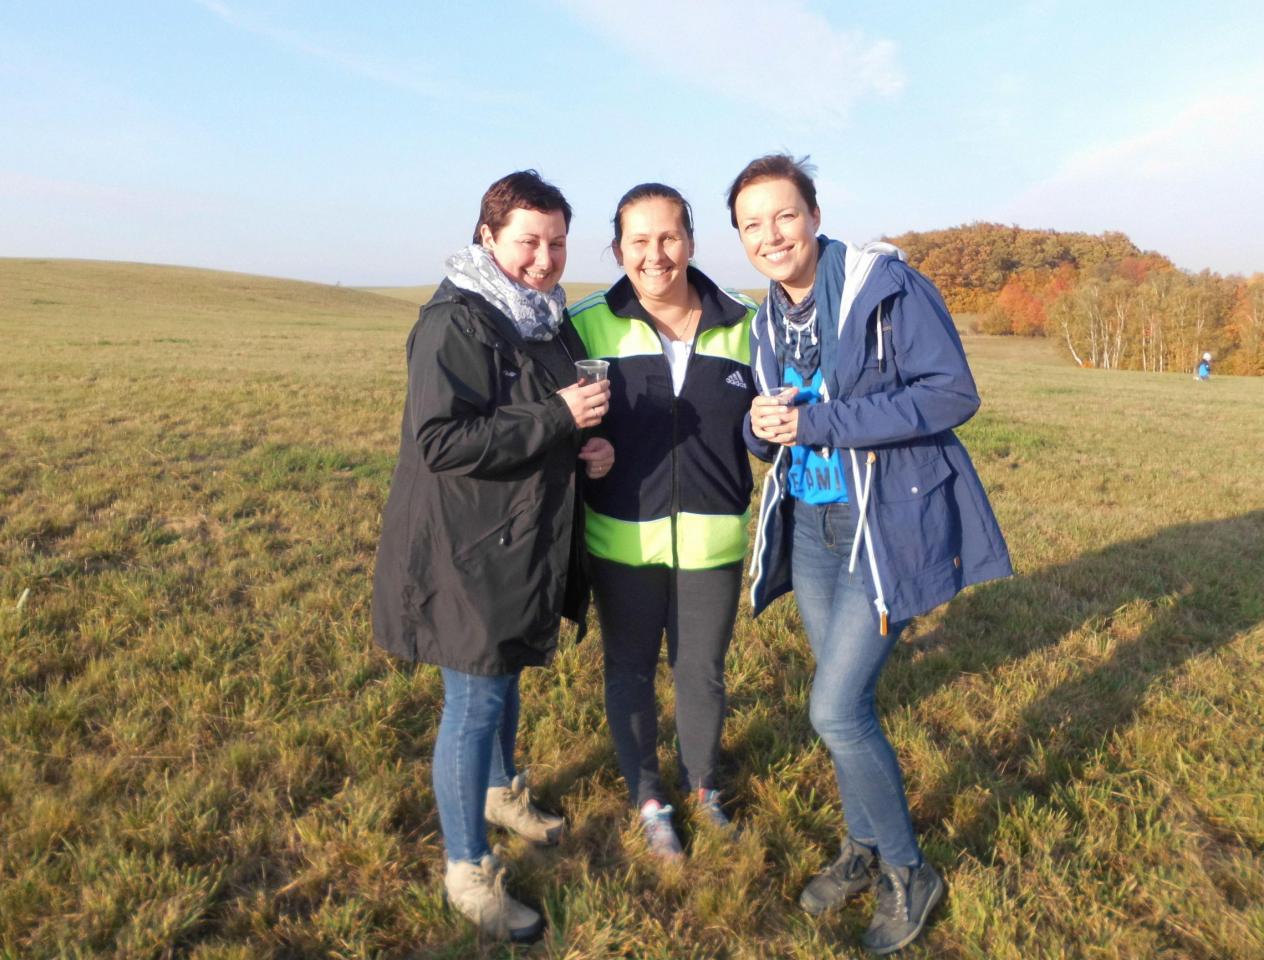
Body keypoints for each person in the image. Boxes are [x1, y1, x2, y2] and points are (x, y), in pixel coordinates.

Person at [728, 155, 1012, 955]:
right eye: (752, 225)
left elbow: (952, 392)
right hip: (813, 528)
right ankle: (861, 845)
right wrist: (759, 427)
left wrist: (818, 423)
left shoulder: (887, 287)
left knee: (833, 709)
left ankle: (909, 871)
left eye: (784, 215)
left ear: (814, 215)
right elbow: (772, 424)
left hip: (883, 526)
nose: (771, 235)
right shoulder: (766, 319)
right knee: (845, 706)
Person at [371, 170, 615, 942]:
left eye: (557, 243)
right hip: (465, 548)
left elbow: (552, 420)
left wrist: (587, 445)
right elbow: (440, 442)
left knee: (504, 673)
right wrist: (557, 417)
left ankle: (502, 793)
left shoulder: (545, 318)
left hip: (519, 538)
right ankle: (466, 869)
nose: (544, 259)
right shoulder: (457, 321)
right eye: (527, 242)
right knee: (474, 701)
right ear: (488, 236)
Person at [569, 183, 757, 860]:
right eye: (639, 241)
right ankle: (649, 798)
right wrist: (585, 451)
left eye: (669, 237)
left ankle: (703, 788)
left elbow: (768, 427)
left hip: (713, 541)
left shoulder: (746, 324)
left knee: (702, 671)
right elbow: (556, 420)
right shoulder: (585, 324)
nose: (656, 255)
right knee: (628, 670)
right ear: (618, 249)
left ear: (692, 242)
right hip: (621, 538)